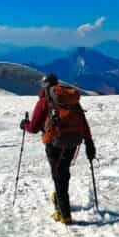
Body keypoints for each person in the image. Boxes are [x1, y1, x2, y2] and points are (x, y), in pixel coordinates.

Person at [20, 74, 95, 225]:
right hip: (73, 142)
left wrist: (24, 125)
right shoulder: (72, 101)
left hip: (54, 143)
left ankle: (64, 214)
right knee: (63, 172)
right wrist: (89, 143)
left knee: (58, 175)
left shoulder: (44, 101)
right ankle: (60, 198)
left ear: (44, 86)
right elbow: (82, 121)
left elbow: (34, 128)